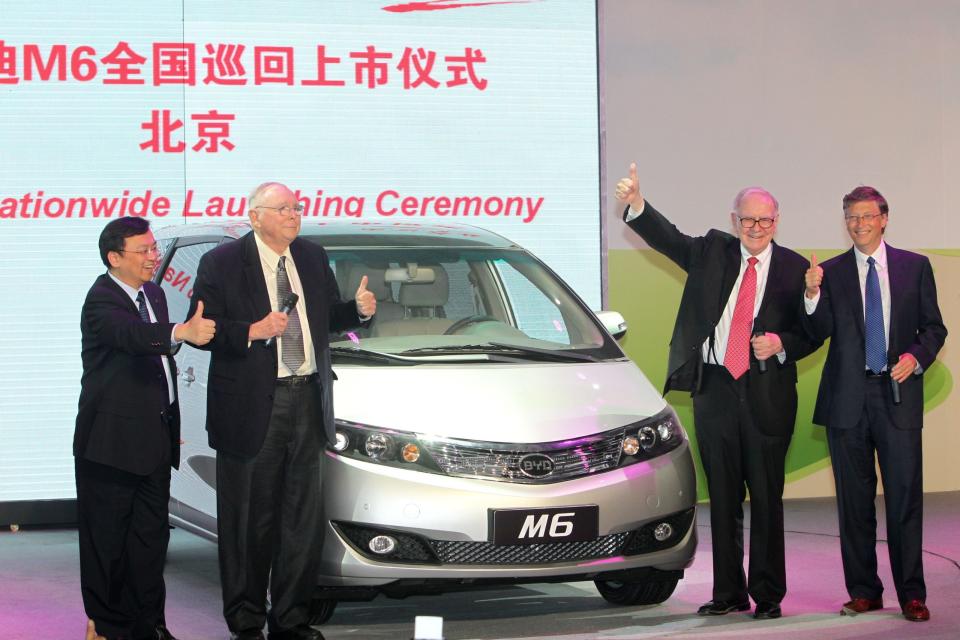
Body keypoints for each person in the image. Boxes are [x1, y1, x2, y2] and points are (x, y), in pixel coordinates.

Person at [615, 163, 820, 619]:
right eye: (748, 219)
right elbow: (670, 240)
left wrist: (783, 343)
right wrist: (637, 206)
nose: (756, 228)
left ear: (777, 221)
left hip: (767, 392)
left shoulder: (794, 268)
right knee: (723, 497)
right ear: (734, 221)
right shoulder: (712, 251)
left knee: (766, 498)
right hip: (715, 389)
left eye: (765, 220)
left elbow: (813, 331)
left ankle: (768, 595)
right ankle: (729, 591)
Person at [189, 182, 376, 640]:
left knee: (301, 519)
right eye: (284, 208)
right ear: (256, 216)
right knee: (249, 520)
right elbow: (203, 330)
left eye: (297, 207)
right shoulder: (222, 263)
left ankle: (290, 618)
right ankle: (247, 620)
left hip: (306, 398)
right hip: (252, 405)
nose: (294, 215)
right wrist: (251, 331)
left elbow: (323, 319)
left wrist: (357, 311)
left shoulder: (311, 257)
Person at [802, 186, 946, 622]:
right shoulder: (828, 273)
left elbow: (934, 329)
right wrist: (810, 296)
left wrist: (915, 358)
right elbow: (816, 332)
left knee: (904, 498)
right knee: (853, 503)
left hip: (898, 396)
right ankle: (864, 590)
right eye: (851, 217)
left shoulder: (915, 267)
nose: (858, 224)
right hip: (847, 400)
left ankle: (912, 594)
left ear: (884, 218)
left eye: (866, 216)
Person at [75, 217, 216, 640]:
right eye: (144, 251)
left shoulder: (152, 293)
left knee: (150, 543)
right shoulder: (101, 299)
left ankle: (150, 625)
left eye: (154, 249)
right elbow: (133, 336)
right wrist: (180, 332)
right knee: (108, 543)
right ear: (114, 257)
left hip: (154, 442)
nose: (154, 257)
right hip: (110, 445)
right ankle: (109, 626)